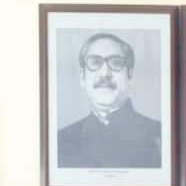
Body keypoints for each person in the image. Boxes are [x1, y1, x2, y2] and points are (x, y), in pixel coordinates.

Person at [56, 33, 162, 169]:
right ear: (82, 77)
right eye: (95, 62)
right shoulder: (60, 141)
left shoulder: (160, 135)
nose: (105, 73)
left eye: (116, 63)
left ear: (130, 75)